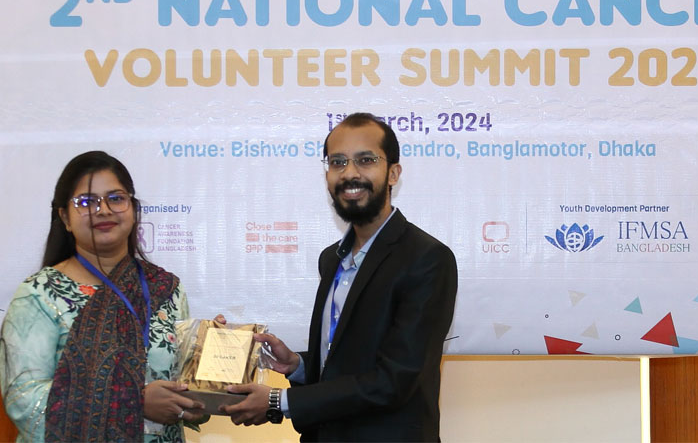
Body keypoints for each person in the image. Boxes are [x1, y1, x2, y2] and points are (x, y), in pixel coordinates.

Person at [224, 112, 458, 441]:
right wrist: (298, 365)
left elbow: (394, 381)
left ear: (393, 173)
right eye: (337, 162)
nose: (349, 173)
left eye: (366, 160)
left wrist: (279, 401)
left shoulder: (427, 259)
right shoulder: (331, 258)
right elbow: (347, 362)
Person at [0, 151, 206, 442]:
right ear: (65, 217)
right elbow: (23, 399)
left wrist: (209, 373)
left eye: (116, 198)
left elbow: (183, 381)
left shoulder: (166, 288)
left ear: (133, 209)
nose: (104, 210)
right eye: (86, 202)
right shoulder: (39, 294)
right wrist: (133, 404)